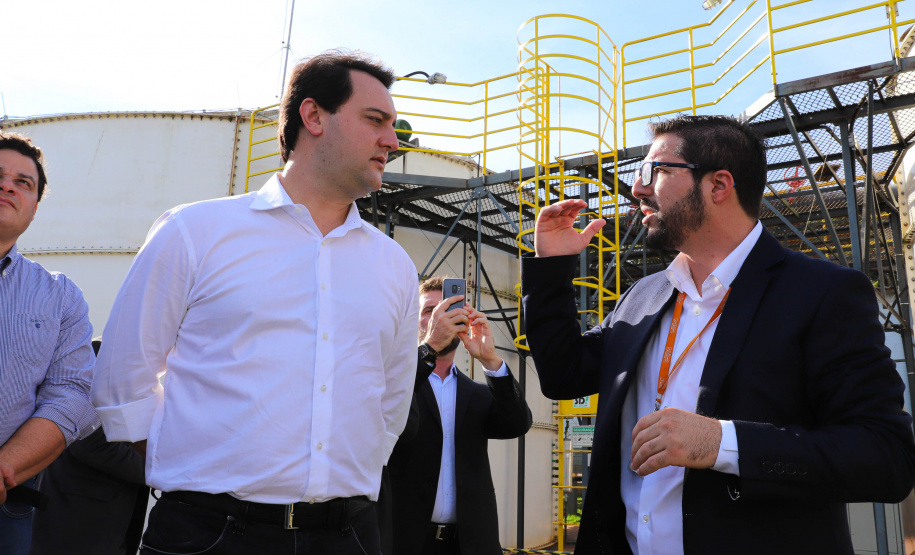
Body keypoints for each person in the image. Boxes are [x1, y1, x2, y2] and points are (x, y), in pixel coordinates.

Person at [521, 114, 915, 555]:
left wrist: (722, 442)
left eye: (656, 171)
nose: (637, 188)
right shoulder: (644, 295)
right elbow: (563, 374)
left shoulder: (822, 294)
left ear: (718, 185)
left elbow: (886, 456)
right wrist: (551, 270)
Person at [91, 50, 419, 555]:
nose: (391, 141)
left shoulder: (394, 265)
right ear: (313, 117)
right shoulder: (195, 232)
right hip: (209, 533)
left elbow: (390, 404)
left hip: (349, 535)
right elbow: (123, 377)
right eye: (375, 120)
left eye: (392, 126)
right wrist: (196, 466)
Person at [0, 132, 97, 555]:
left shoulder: (59, 297)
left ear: (35, 207)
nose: (9, 186)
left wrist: (4, 469)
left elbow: (71, 394)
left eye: (24, 183)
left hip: (8, 504)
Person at [387, 277, 532, 555]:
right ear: (414, 322)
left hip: (469, 543)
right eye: (431, 310)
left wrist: (491, 361)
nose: (443, 315)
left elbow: (518, 423)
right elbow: (386, 409)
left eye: (451, 306)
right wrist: (429, 347)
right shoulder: (396, 384)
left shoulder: (476, 393)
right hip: (405, 541)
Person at [30, 339, 149, 555]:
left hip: (108, 523)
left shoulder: (140, 368)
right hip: (78, 523)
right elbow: (90, 444)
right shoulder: (96, 359)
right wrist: (159, 471)